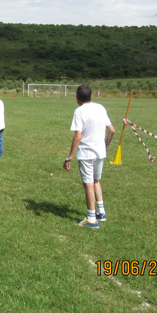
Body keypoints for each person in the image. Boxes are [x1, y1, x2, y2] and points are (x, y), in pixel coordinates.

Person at [63, 85, 116, 228]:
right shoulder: (100, 108)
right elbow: (112, 130)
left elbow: (78, 136)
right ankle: (101, 212)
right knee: (96, 180)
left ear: (77, 98)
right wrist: (104, 146)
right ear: (91, 96)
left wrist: (69, 157)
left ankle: (92, 218)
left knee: (88, 184)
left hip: (86, 154)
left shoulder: (79, 111)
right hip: (100, 153)